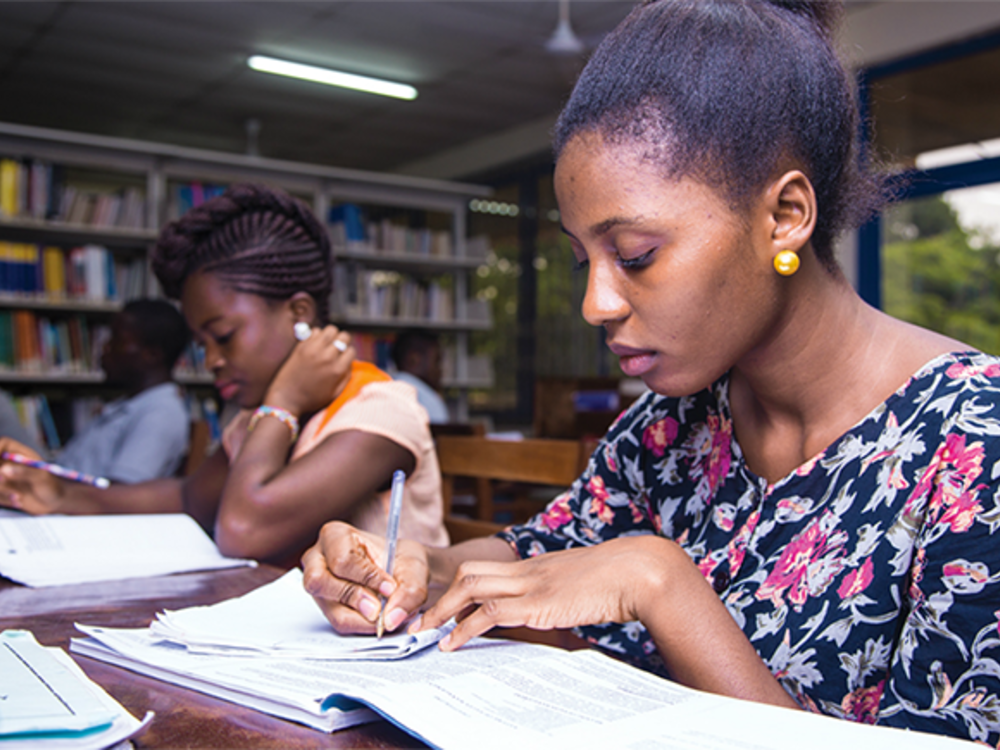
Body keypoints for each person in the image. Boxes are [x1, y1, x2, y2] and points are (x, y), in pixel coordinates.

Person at [300, 0, 1000, 744]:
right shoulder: (669, 426)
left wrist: (661, 585)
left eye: (635, 254)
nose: (595, 303)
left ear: (786, 215)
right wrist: (410, 565)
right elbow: (533, 559)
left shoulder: (976, 442)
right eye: (582, 260)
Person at [0, 183, 448, 566]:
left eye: (224, 336)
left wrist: (285, 400)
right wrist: (59, 495)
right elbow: (189, 499)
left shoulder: (380, 411)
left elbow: (242, 529)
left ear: (299, 313)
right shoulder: (257, 420)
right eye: (202, 344)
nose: (211, 360)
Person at [54, 298, 190, 483]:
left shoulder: (160, 413)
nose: (105, 348)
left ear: (152, 355)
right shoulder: (128, 405)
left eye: (116, 339)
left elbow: (122, 489)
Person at [391, 330, 449, 423]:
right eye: (437, 361)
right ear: (413, 359)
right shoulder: (428, 401)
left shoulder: (378, 390)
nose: (441, 370)